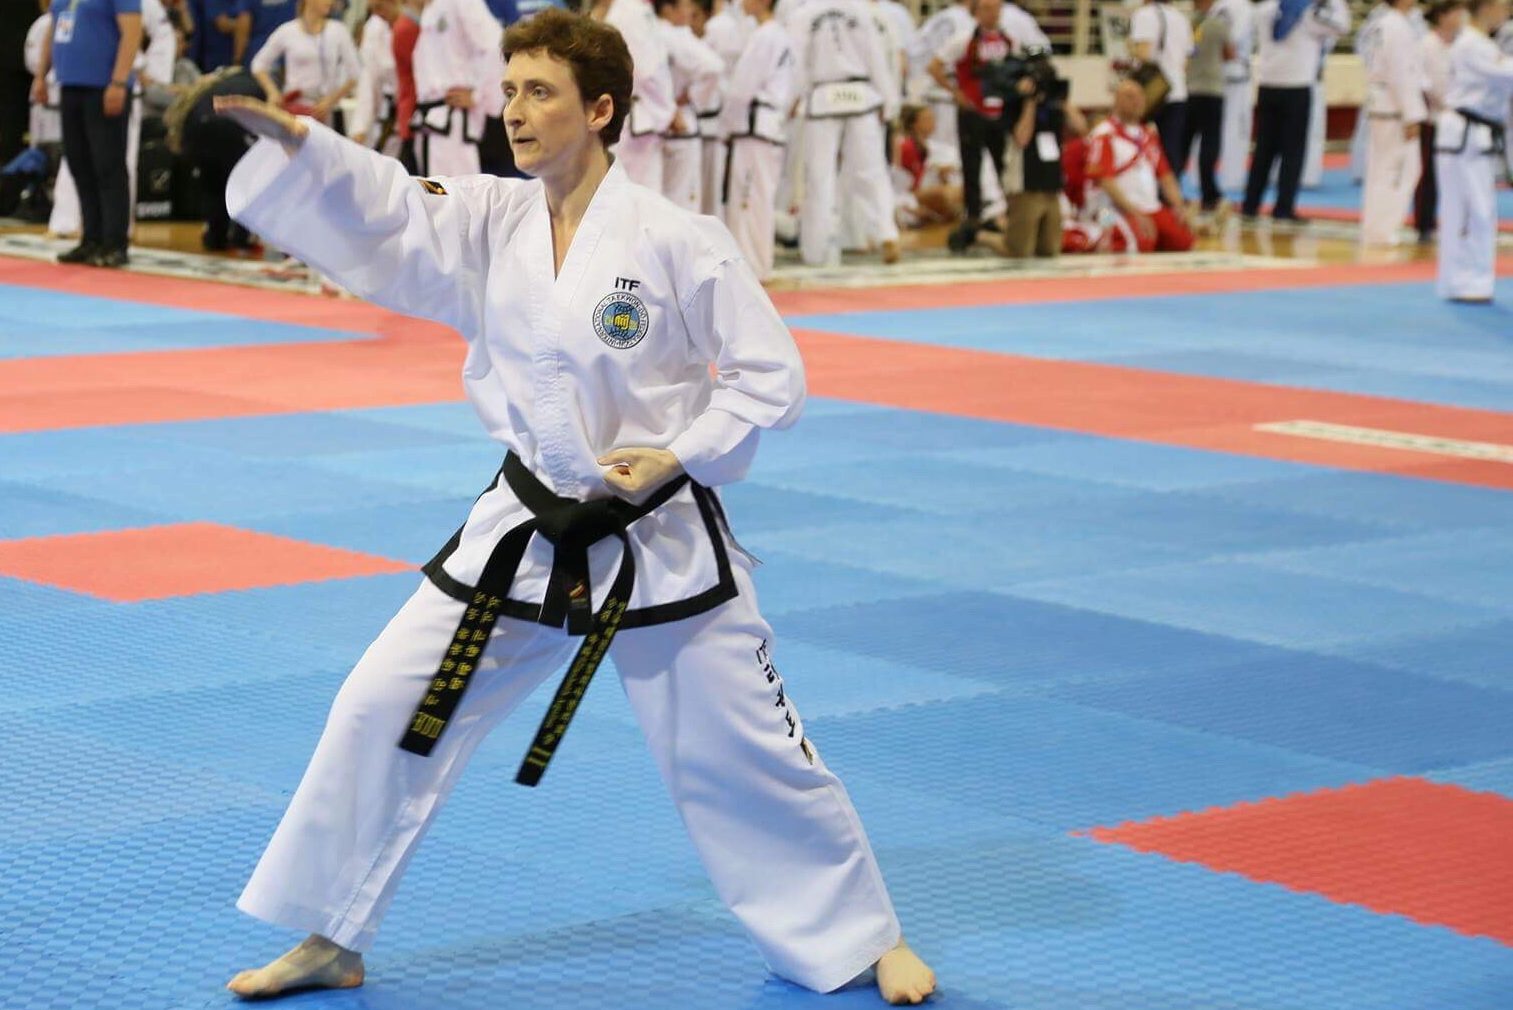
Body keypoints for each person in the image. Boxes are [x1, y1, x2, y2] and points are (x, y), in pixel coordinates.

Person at [213, 8, 938, 1006]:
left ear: (599, 109)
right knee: (386, 706)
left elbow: (773, 377)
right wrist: (303, 144)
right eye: (509, 89)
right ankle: (332, 932)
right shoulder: (488, 218)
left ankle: (861, 935)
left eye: (539, 91)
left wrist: (677, 452)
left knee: (745, 748)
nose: (514, 109)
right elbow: (390, 202)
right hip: (524, 535)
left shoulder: (681, 239)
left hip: (657, 542)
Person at [30, 0, 142, 267]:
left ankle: (115, 243)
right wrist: (40, 75)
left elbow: (133, 31)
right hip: (70, 84)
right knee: (80, 164)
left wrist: (118, 81)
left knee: (108, 165)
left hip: (103, 86)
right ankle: (91, 239)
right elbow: (54, 28)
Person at [793, 0, 901, 264]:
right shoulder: (860, 9)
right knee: (871, 171)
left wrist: (794, 99)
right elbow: (875, 56)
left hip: (822, 94)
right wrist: (889, 99)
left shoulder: (804, 14)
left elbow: (798, 62)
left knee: (820, 175)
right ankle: (887, 231)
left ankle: (819, 249)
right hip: (860, 93)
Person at [1241, 0, 1350, 222]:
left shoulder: (1265, 9)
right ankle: (1283, 207)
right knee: (1293, 152)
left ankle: (1250, 205)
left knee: (1263, 150)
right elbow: (1342, 26)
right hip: (1296, 84)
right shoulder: (1310, 13)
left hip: (1268, 83)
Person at [1434, 0, 1513, 301]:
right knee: (1469, 211)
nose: (1506, 12)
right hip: (1465, 135)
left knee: (1479, 210)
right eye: (1503, 6)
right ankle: (1463, 281)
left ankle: (1471, 280)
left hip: (1474, 134)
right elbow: (1507, 73)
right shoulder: (1471, 44)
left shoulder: (1480, 43)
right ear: (1487, 6)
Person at [719, 0, 794, 279]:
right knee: (758, 198)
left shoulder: (766, 36)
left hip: (754, 128)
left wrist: (726, 126)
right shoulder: (779, 34)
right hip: (768, 126)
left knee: (748, 200)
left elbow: (742, 89)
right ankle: (757, 265)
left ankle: (751, 269)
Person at [928, 0, 1011, 252]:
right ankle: (973, 216)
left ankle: (1004, 213)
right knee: (971, 166)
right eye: (987, 8)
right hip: (973, 112)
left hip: (1000, 111)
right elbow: (934, 66)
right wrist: (956, 93)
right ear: (977, 12)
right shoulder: (964, 40)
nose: (993, 13)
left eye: (997, 8)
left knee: (1003, 165)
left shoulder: (1008, 39)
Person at [1086, 77, 1195, 251]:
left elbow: (1166, 176)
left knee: (1183, 239)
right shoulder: (1104, 134)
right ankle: (1102, 237)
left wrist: (1179, 206)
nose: (1137, 101)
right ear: (1116, 100)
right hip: (1113, 209)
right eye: (1130, 96)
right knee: (1140, 241)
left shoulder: (1148, 135)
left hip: (1150, 206)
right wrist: (1133, 212)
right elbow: (1104, 181)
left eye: (1140, 96)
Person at [1360, 0, 1428, 245]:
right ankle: (1383, 230)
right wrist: (1411, 114)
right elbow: (1401, 73)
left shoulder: (1383, 22)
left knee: (1382, 168)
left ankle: (1376, 227)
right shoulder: (1396, 26)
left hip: (1383, 102)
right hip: (1394, 106)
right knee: (1397, 169)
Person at [1004, 65, 1086, 256]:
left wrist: (1064, 101)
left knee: (1050, 250)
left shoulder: (1054, 108)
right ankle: (980, 237)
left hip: (1051, 186)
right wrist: (1030, 102)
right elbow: (1022, 138)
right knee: (1020, 251)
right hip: (1027, 186)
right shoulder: (1015, 105)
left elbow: (1081, 127)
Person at [250, 0, 361, 131]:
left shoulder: (338, 31)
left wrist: (331, 101)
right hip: (292, 108)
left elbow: (355, 73)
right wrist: (272, 92)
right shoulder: (287, 31)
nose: (330, 2)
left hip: (322, 110)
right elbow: (258, 65)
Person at [1415, 0, 1467, 239]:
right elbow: (1424, 82)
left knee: (1458, 175)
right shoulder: (1427, 44)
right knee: (1430, 175)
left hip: (1459, 118)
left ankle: (1456, 221)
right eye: (1456, 12)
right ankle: (1424, 223)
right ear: (1442, 16)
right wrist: (1443, 102)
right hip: (1434, 118)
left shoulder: (1462, 44)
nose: (1460, 17)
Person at [1129, 0, 1193, 175]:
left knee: (1134, 142)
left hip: (1150, 93)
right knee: (1171, 149)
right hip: (1177, 90)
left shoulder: (1145, 14)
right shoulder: (1182, 18)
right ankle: (1170, 196)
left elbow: (1144, 53)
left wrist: (1130, 48)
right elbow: (1186, 61)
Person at [1181, 0, 1234, 213]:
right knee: (1209, 145)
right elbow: (1231, 54)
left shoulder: (1188, 24)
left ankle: (1170, 186)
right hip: (1211, 90)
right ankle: (1209, 193)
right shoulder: (1218, 25)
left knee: (1182, 144)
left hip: (1189, 90)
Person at [1212, 0, 1253, 191]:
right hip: (1237, 71)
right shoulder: (1243, 8)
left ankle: (1201, 176)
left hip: (1214, 73)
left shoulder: (1217, 7)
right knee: (1237, 127)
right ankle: (1233, 178)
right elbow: (1232, 39)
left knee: (1212, 127)